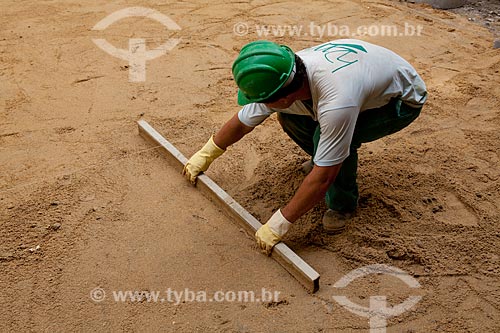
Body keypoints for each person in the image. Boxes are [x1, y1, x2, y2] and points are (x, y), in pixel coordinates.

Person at [182, 39, 427, 255]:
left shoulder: (336, 103)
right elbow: (242, 122)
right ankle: (325, 155)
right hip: (360, 78)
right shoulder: (286, 75)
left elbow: (322, 179)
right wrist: (206, 154)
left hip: (400, 100)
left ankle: (342, 205)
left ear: (284, 96)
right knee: (289, 117)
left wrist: (280, 222)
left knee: (328, 142)